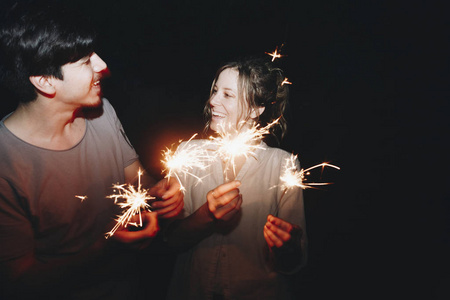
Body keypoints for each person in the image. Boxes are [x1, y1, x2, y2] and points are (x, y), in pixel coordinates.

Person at [0, 2, 183, 299]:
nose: (102, 66)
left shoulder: (102, 112)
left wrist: (158, 190)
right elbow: (19, 280)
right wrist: (107, 246)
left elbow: (136, 179)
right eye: (85, 61)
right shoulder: (6, 164)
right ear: (45, 81)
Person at [165, 58, 307, 299]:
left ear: (256, 109)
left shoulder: (283, 165)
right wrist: (206, 216)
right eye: (214, 91)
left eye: (227, 95)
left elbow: (294, 263)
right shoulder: (186, 154)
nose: (212, 101)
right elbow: (169, 241)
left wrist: (286, 248)